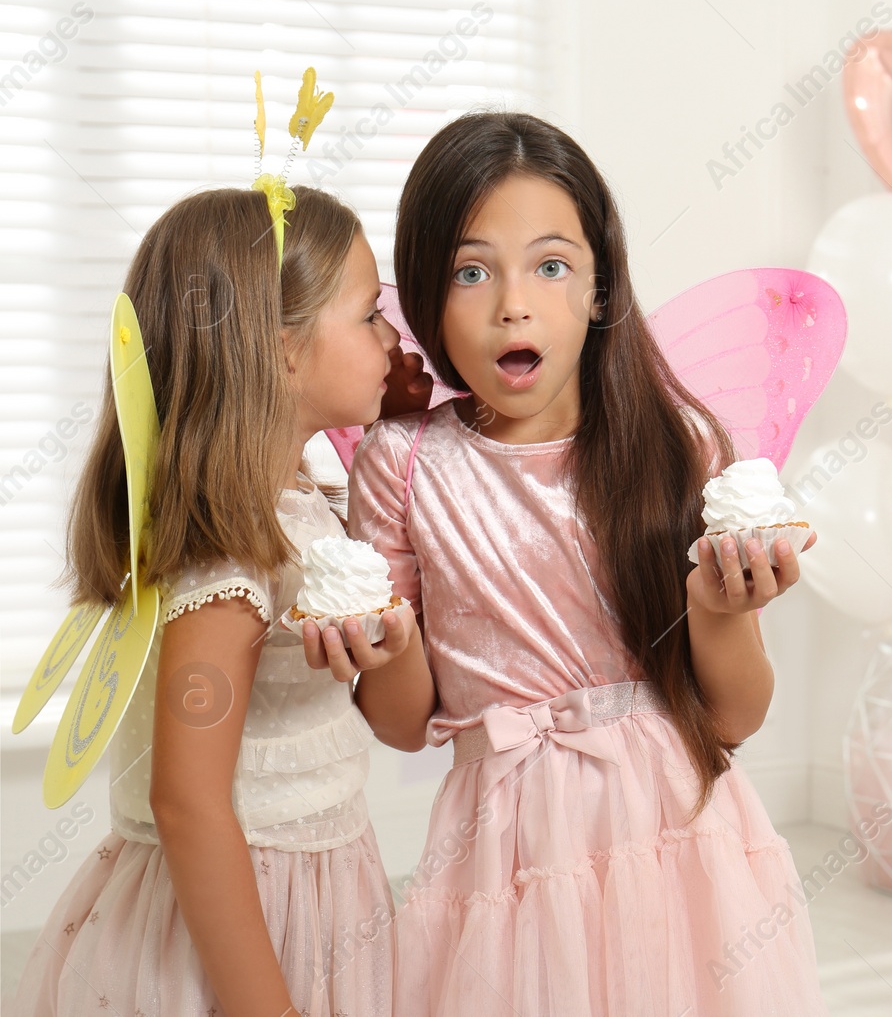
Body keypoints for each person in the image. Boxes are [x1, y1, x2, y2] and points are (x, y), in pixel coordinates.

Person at [334, 111, 829, 1015]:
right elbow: (405, 726)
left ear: (602, 289)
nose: (513, 303)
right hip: (502, 853)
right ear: (428, 296)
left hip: (678, 835)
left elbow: (735, 714)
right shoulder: (402, 464)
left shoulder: (677, 442)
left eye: (551, 265)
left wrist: (717, 608)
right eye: (470, 271)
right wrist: (382, 639)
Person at [15, 184, 422, 1017]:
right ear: (282, 353)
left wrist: (402, 641)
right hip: (245, 928)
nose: (392, 338)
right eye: (369, 315)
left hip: (320, 886)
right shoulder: (229, 557)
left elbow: (405, 723)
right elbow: (187, 801)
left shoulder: (305, 505)